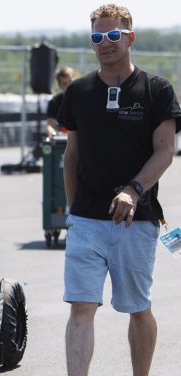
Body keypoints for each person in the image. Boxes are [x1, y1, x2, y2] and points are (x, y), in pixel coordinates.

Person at [59, 4, 181, 376]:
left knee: (137, 307)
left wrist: (133, 190)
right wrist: (72, 211)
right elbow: (71, 156)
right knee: (81, 307)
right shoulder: (78, 91)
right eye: (98, 37)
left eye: (113, 35)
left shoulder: (156, 89)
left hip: (137, 220)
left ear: (130, 37)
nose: (105, 43)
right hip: (87, 221)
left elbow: (165, 151)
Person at [46, 66, 75, 137]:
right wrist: (51, 132)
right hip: (62, 136)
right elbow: (50, 125)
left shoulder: (83, 99)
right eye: (65, 84)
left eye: (70, 82)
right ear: (59, 85)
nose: (68, 86)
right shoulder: (54, 101)